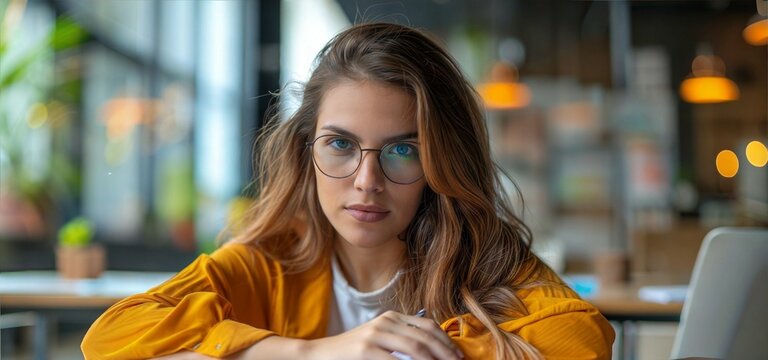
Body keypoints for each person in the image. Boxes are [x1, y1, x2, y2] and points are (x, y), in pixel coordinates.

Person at [81, 22, 614, 359]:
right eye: (340, 144)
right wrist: (312, 354)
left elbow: (583, 340)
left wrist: (423, 345)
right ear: (305, 149)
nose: (366, 181)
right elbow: (110, 337)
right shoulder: (268, 261)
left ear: (440, 163)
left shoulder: (488, 263)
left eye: (403, 149)